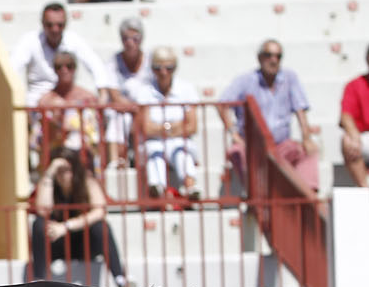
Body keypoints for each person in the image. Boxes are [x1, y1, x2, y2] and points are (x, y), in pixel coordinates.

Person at [220, 39, 321, 194]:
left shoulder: (290, 78)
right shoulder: (245, 81)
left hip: (281, 146)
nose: (274, 60)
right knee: (237, 152)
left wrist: (306, 138)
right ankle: (255, 195)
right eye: (269, 55)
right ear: (259, 58)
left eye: (278, 56)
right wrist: (234, 134)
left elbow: (300, 108)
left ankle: (307, 198)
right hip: (251, 146)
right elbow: (222, 104)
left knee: (309, 151)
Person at [28, 145, 129, 287]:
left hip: (83, 243)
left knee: (101, 227)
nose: (63, 175)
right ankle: (38, 280)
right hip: (57, 243)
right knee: (38, 224)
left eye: (67, 170)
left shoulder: (86, 181)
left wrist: (66, 226)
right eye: (59, 171)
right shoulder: (49, 184)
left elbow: (99, 211)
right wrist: (50, 173)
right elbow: (42, 210)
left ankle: (121, 280)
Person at [128, 46, 200, 203]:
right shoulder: (144, 91)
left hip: (177, 141)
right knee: (155, 152)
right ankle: (157, 190)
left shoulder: (186, 89)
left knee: (182, 150)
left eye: (169, 67)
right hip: (153, 142)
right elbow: (145, 128)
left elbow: (192, 126)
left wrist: (161, 128)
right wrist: (174, 127)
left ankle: (190, 187)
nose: (163, 72)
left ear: (175, 68)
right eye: (157, 68)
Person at [9, 3, 114, 107]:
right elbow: (12, 68)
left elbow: (94, 63)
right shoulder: (30, 40)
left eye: (60, 25)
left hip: (68, 99)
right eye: (49, 25)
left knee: (90, 102)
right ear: (42, 23)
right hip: (38, 103)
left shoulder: (73, 39)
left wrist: (102, 93)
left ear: (66, 24)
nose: (55, 29)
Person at [35, 50, 101, 164]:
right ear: (54, 70)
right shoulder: (46, 100)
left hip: (83, 153)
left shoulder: (88, 98)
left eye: (69, 66)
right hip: (56, 152)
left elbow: (94, 130)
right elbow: (41, 132)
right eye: (59, 67)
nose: (64, 70)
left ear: (74, 68)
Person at [102, 16, 148, 168]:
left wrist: (139, 110)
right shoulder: (112, 62)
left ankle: (139, 160)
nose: (130, 42)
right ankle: (116, 161)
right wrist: (135, 108)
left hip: (143, 110)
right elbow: (115, 96)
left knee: (140, 119)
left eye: (135, 38)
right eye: (125, 38)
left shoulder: (149, 62)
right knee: (119, 120)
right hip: (123, 110)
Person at [341, 44, 369, 188]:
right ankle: (365, 191)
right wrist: (354, 135)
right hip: (364, 138)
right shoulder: (354, 85)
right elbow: (346, 116)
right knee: (348, 141)